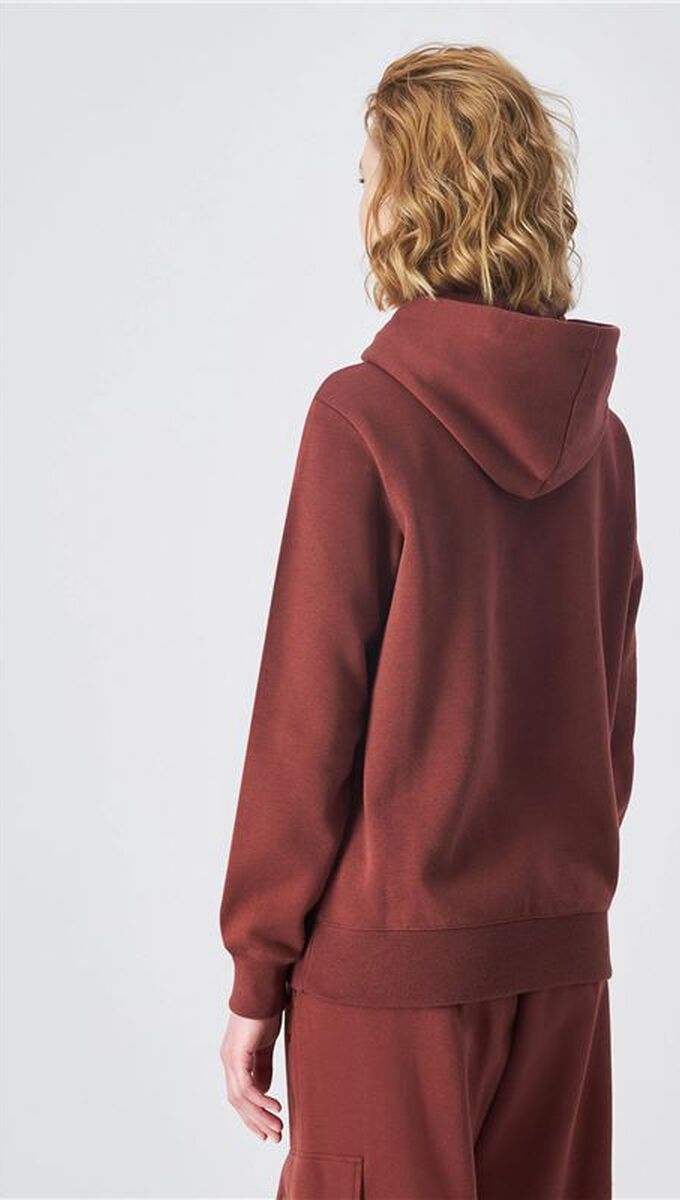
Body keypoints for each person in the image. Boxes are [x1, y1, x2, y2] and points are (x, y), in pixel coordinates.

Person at [219, 43, 642, 1200]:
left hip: (391, 980)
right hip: (560, 971)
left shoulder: (362, 418)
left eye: (368, 179)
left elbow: (305, 729)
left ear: (416, 201)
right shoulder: (602, 445)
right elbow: (610, 726)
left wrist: (257, 975)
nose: (360, 205)